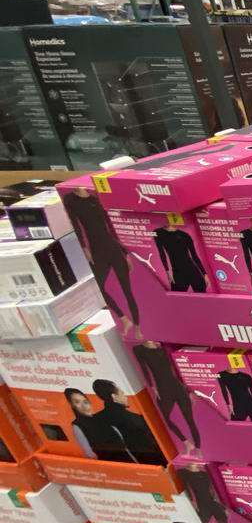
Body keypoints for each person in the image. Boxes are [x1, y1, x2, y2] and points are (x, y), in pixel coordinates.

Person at [64, 186, 140, 335]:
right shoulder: (70, 199)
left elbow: (110, 227)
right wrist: (84, 248)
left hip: (113, 248)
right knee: (99, 288)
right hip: (96, 251)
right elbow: (75, 225)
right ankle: (124, 319)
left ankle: (137, 328)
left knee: (128, 291)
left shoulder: (96, 198)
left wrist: (126, 253)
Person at [70, 381, 165, 464]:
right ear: (114, 396)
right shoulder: (137, 419)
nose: (125, 397)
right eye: (122, 393)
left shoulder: (95, 418)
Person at [132, 341, 200, 448]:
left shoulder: (164, 346)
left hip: (178, 387)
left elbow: (177, 369)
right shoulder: (139, 349)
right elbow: (144, 369)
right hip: (163, 390)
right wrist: (152, 387)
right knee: (166, 420)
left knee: (190, 421)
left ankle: (198, 449)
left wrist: (189, 390)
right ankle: (186, 443)